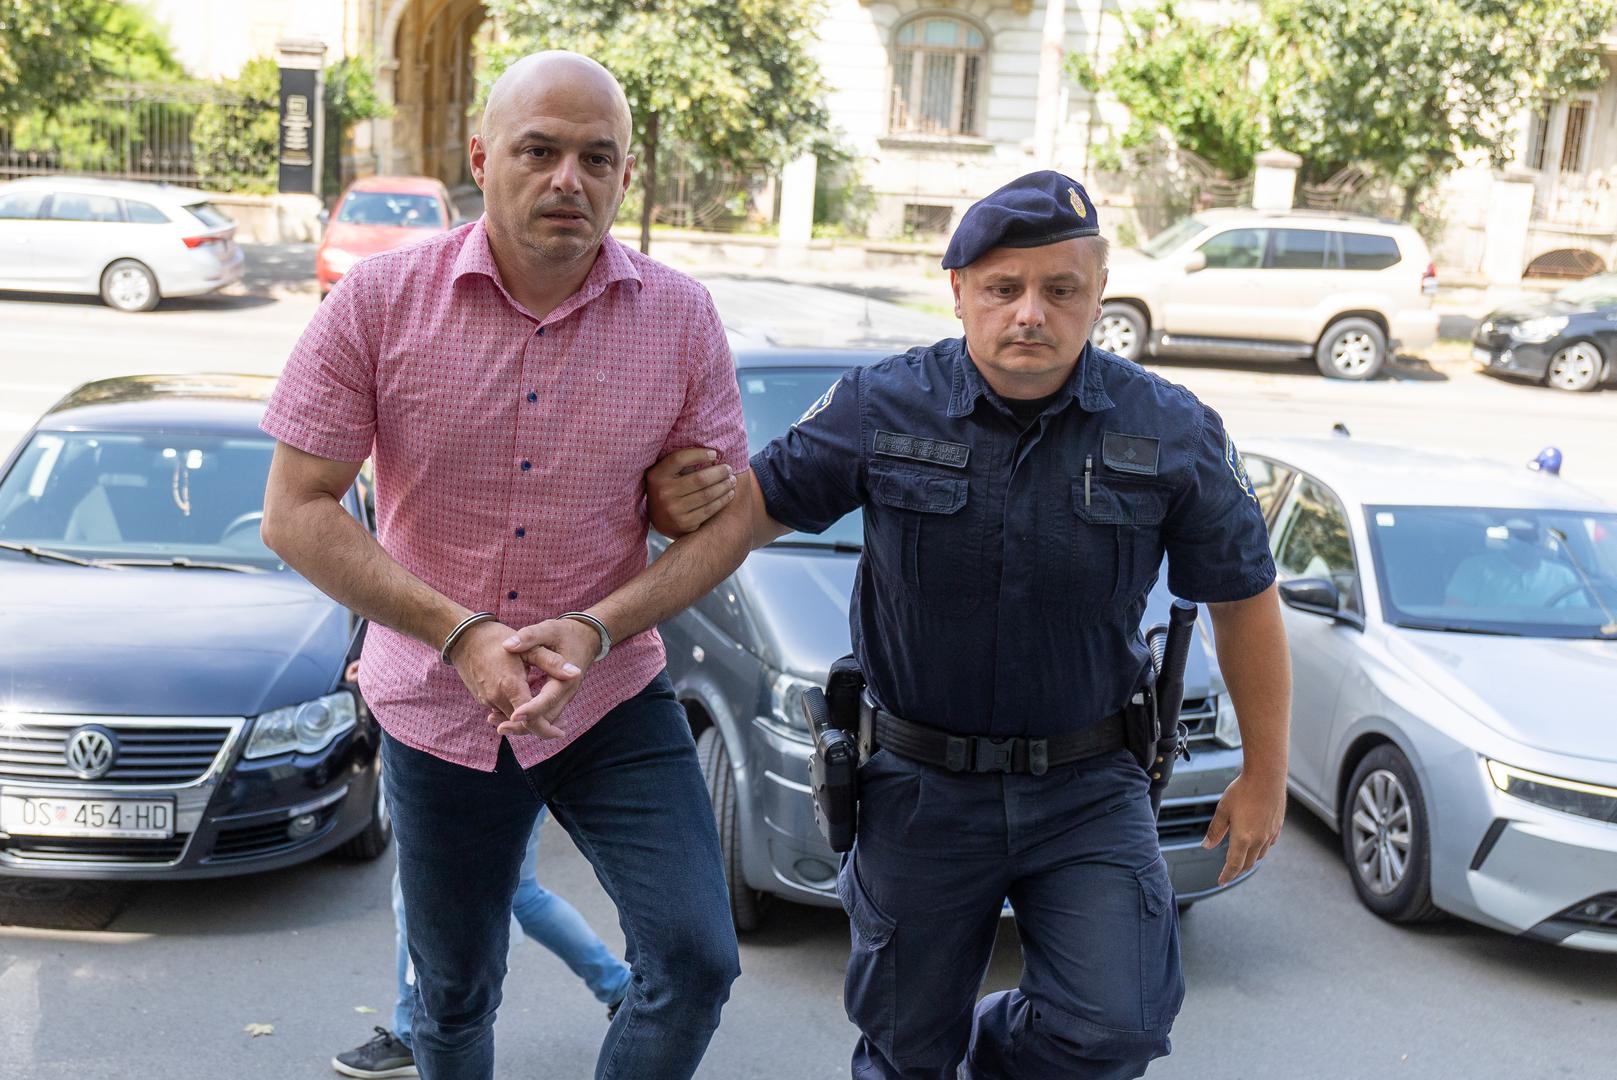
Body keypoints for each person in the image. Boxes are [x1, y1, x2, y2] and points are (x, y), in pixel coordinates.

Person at [644, 171, 1292, 1079]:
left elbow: (1244, 596)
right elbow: (747, 513)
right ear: (957, 292)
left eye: (1060, 290)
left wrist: (1265, 775)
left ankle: (989, 1059)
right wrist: (611, 611)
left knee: (1119, 1024)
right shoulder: (882, 406)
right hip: (918, 786)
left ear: (1098, 294)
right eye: (1002, 288)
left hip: (1087, 789)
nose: (1030, 313)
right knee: (908, 1047)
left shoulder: (1170, 428)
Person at [261, 50, 764, 1080]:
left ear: (626, 177)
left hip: (609, 693)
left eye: (596, 157)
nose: (567, 180)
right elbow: (293, 513)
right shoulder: (377, 304)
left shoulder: (681, 319)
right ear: (482, 157)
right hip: (439, 707)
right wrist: (458, 631)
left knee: (697, 959)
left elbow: (727, 521)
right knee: (451, 995)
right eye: (539, 151)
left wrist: (602, 622)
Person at [332, 670, 633, 1080]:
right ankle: (618, 986)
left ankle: (406, 1034)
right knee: (521, 893)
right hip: (512, 740)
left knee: (421, 899)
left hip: (472, 743)